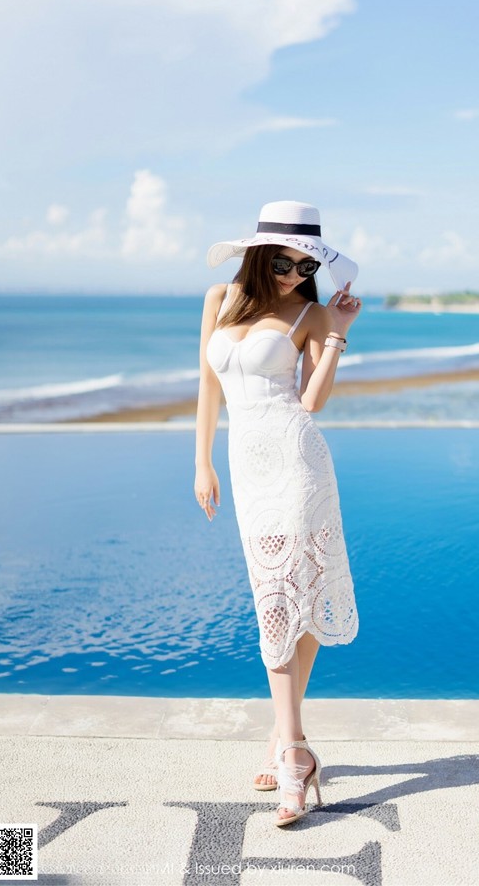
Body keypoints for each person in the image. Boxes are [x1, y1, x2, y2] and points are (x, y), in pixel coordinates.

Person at [194, 201, 361, 827]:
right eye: (285, 261)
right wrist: (202, 462)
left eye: (305, 264)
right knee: (283, 594)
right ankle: (285, 738)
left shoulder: (312, 312)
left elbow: (312, 400)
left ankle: (291, 753)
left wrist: (338, 332)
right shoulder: (219, 298)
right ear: (259, 254)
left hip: (297, 461)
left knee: (288, 594)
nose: (294, 273)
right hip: (244, 464)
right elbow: (208, 386)